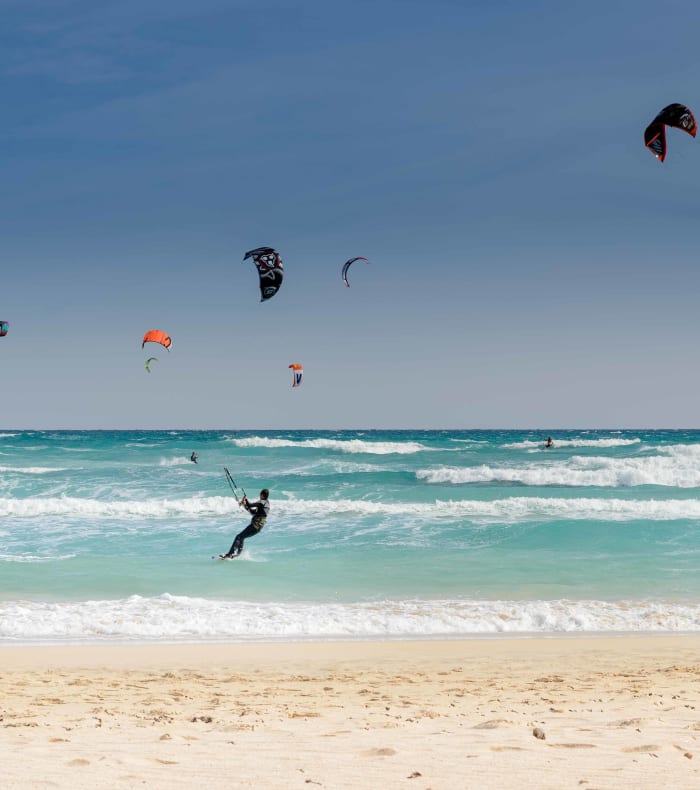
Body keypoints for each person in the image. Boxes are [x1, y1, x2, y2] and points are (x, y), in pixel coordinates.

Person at [220, 489, 270, 558]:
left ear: (262, 495)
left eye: (260, 495)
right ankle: (238, 554)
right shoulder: (266, 504)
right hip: (258, 527)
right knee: (242, 537)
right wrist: (244, 505)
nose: (259, 496)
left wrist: (245, 500)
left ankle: (229, 554)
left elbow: (250, 505)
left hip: (255, 526)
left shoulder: (262, 502)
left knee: (238, 537)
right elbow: (253, 512)